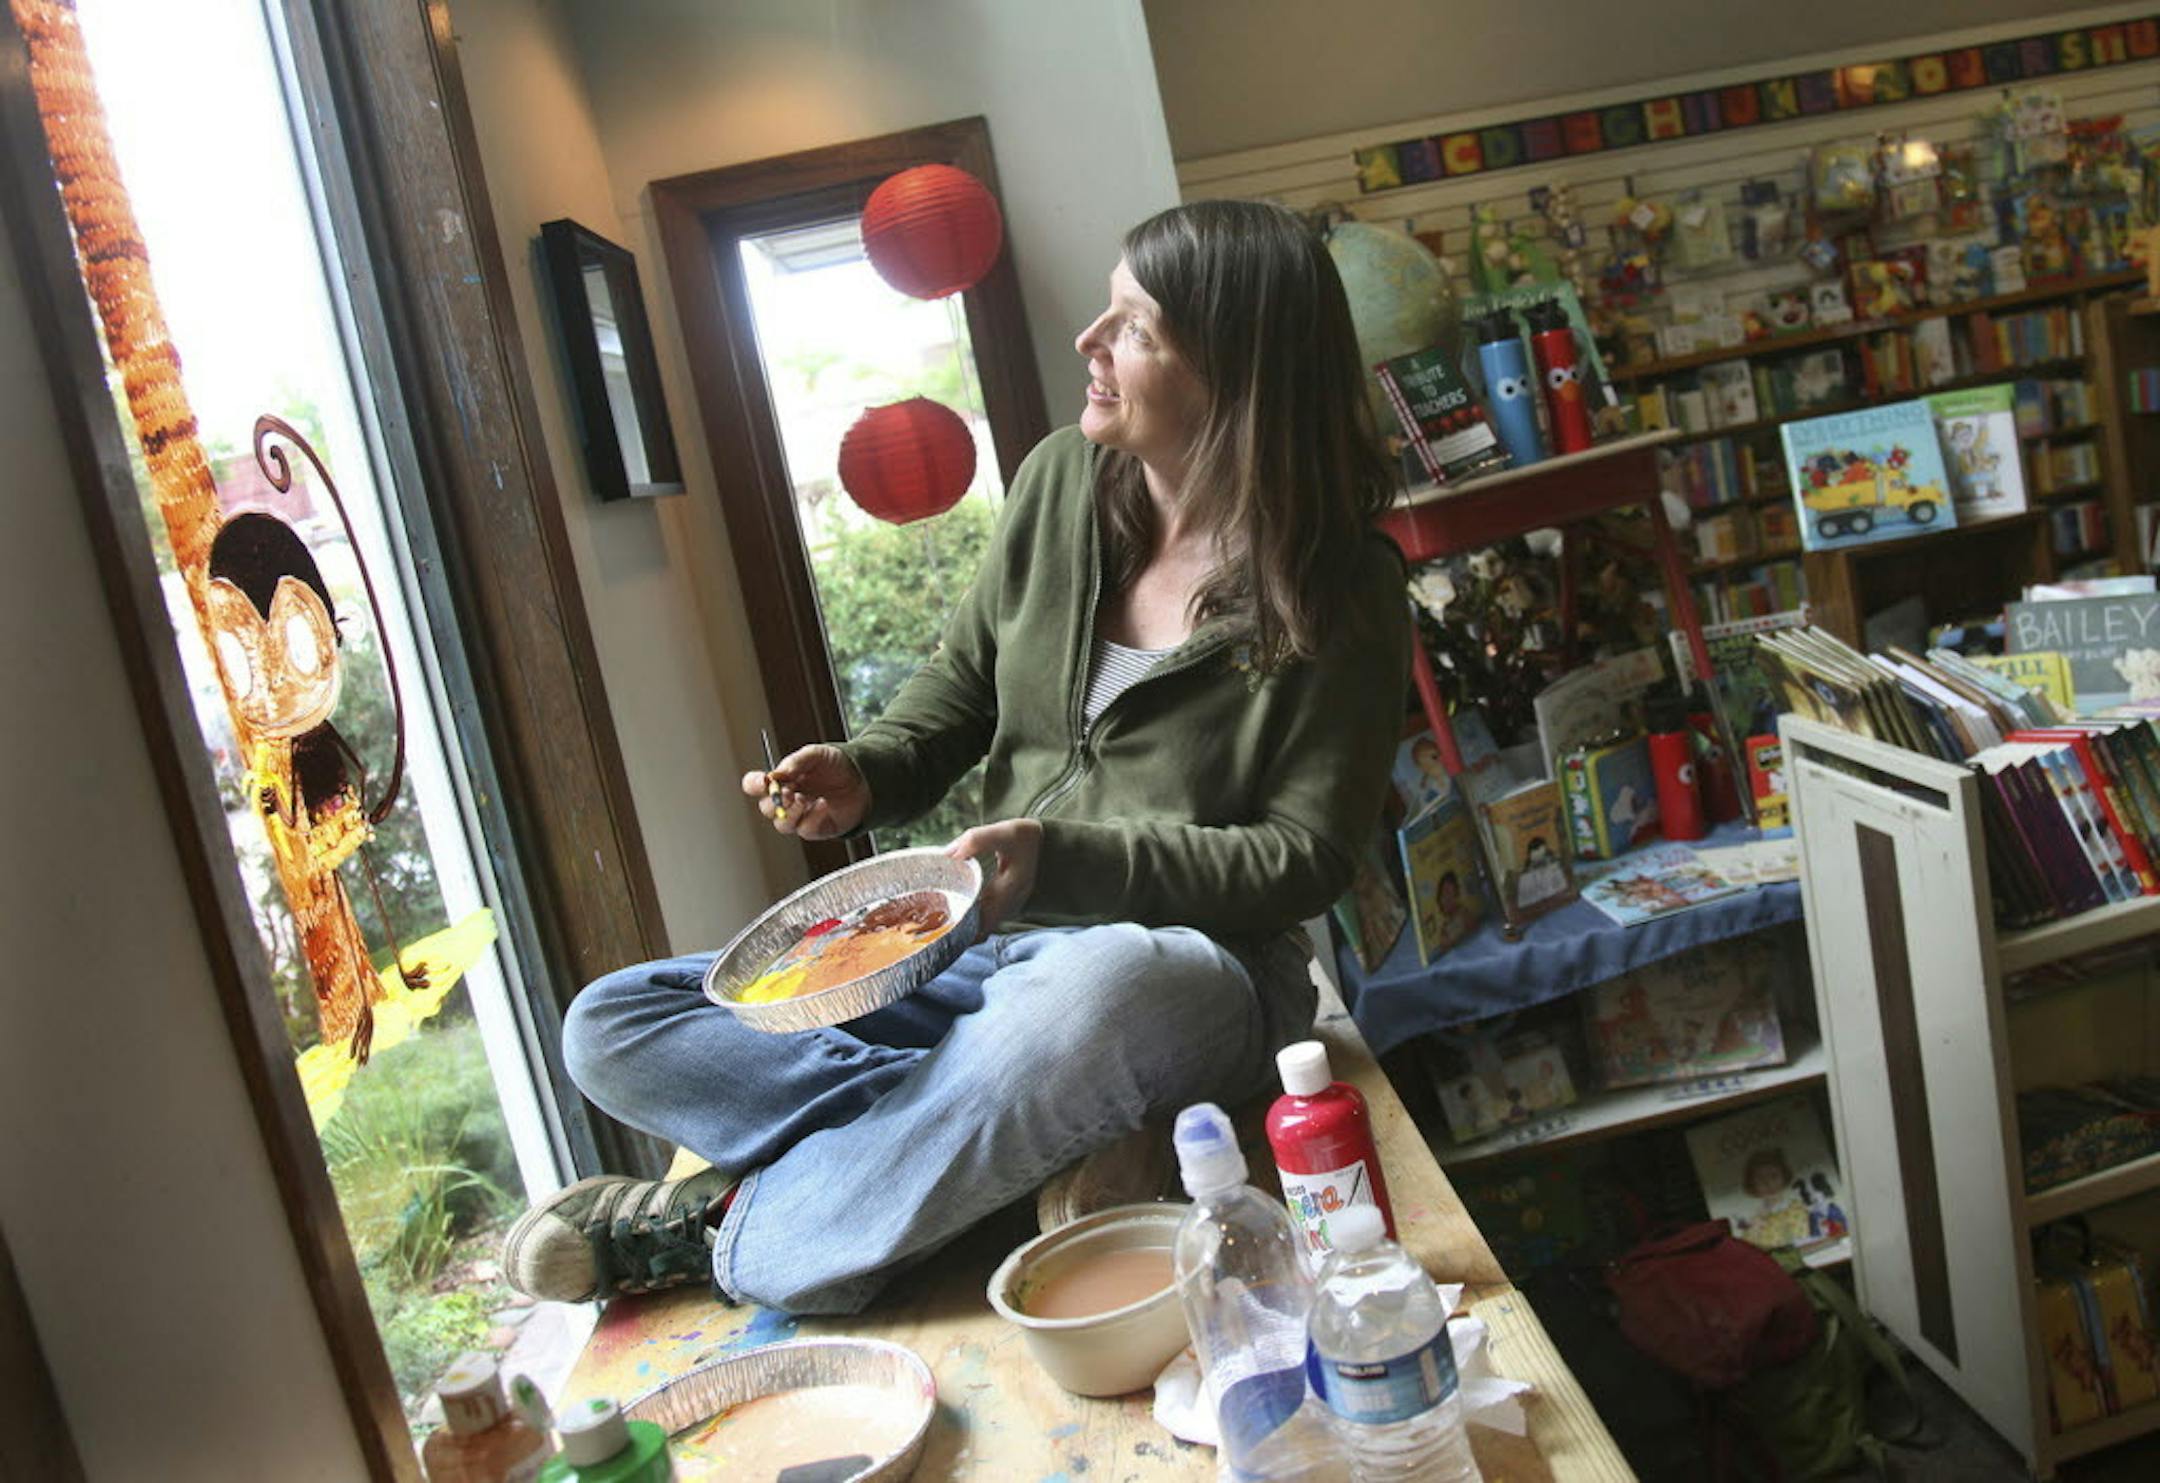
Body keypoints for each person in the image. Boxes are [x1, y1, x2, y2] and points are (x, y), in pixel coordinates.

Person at [501, 200, 1409, 1315]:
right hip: (978, 956)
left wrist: (1065, 858)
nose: (1089, 339)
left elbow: (1305, 857)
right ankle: (1004, 1149)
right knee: (614, 1024)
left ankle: (727, 1230)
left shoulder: (1344, 585)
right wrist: (870, 770)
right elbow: (966, 684)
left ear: (1236, 372)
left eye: (1135, 328)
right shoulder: (1060, 482)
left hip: (1182, 974)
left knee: (1101, 990)